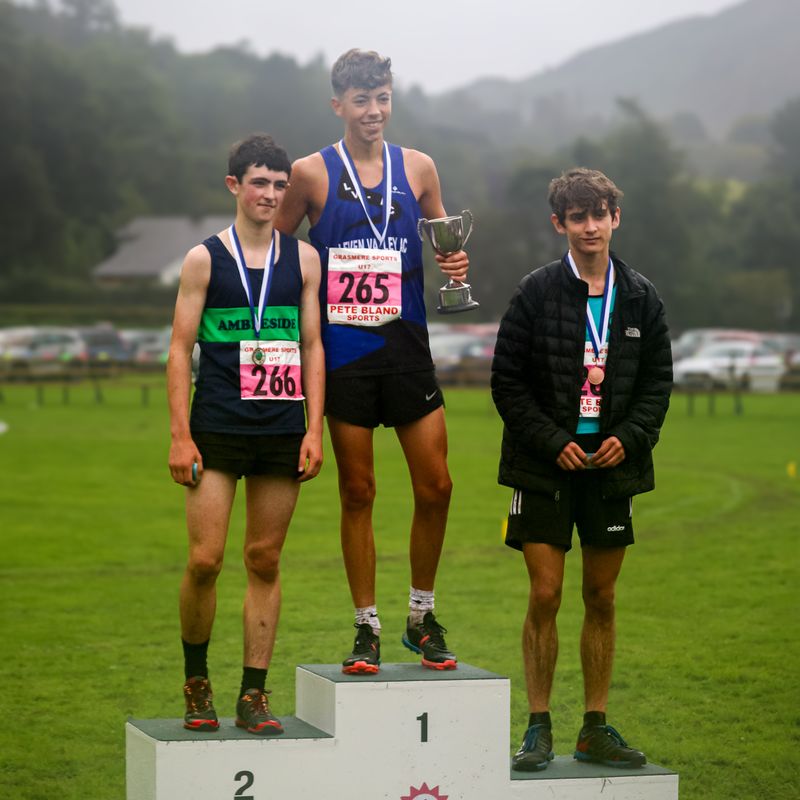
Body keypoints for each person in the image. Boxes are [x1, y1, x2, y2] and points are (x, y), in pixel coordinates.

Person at [275, 48, 468, 674]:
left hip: (408, 348)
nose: (373, 111)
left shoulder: (418, 168)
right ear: (338, 105)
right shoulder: (309, 173)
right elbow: (274, 254)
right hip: (345, 355)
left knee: (436, 486)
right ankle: (367, 626)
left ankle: (421, 615)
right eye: (361, 100)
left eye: (382, 97)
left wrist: (455, 265)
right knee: (358, 491)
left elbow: (444, 240)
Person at [491, 168, 672, 770]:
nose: (590, 226)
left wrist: (631, 435)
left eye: (600, 214)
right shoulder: (535, 292)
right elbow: (506, 382)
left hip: (610, 468)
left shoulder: (642, 297)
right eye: (578, 216)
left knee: (601, 596)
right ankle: (537, 726)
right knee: (545, 594)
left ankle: (594, 726)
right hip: (544, 467)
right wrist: (550, 441)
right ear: (559, 224)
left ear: (615, 218)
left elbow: (656, 384)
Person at [167, 133, 324, 734]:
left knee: (264, 557)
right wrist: (180, 436)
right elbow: (180, 351)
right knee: (205, 560)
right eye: (260, 182)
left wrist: (315, 429)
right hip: (218, 428)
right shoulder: (204, 258)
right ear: (235, 186)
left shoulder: (303, 259)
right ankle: (196, 681)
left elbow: (312, 347)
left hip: (282, 427)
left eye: (280, 185)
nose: (271, 194)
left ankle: (253, 693)